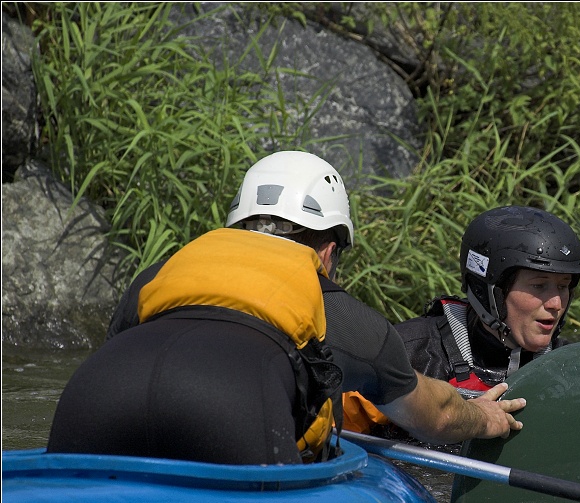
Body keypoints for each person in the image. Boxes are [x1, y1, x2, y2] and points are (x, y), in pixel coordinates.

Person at [47, 151, 525, 465]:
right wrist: (484, 417)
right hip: (227, 414)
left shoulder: (158, 273)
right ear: (330, 250)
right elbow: (436, 415)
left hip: (92, 398)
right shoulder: (343, 319)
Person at [343, 205, 580, 435]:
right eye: (539, 286)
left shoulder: (575, 366)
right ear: (489, 292)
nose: (556, 304)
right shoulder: (405, 355)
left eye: (563, 287)